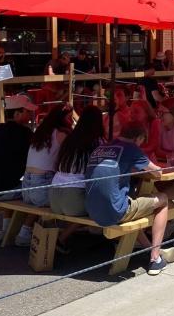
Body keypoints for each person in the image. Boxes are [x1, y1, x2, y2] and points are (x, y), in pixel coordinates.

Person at [84, 124, 174, 275]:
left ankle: (149, 247)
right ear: (139, 138)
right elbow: (157, 172)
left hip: (91, 210)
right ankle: (155, 260)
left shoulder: (101, 148)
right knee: (163, 199)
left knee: (134, 201)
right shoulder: (131, 148)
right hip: (115, 212)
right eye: (142, 142)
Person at [0, 94, 38, 246]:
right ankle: (24, 234)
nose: (31, 114)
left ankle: (5, 230)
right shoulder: (25, 134)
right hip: (4, 190)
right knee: (39, 195)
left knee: (14, 184)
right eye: (27, 111)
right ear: (17, 114)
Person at [49, 106, 105, 248]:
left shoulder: (69, 139)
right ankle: (62, 238)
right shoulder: (97, 142)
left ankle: (76, 232)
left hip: (53, 197)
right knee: (100, 204)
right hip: (73, 199)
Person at [22, 104, 72, 208]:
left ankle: (27, 225)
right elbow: (70, 158)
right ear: (61, 119)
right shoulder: (61, 134)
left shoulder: (40, 133)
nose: (71, 121)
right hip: (42, 187)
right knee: (72, 203)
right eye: (69, 118)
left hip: (26, 188)